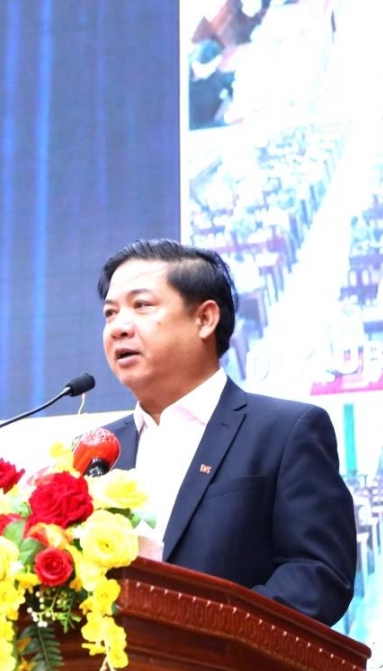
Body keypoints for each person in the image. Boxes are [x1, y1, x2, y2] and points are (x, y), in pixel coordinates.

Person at [97, 239, 356, 626]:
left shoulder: (285, 432)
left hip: (229, 663)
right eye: (110, 313)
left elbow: (318, 576)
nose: (119, 327)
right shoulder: (97, 452)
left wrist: (208, 630)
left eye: (142, 305)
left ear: (205, 319)